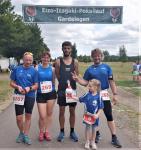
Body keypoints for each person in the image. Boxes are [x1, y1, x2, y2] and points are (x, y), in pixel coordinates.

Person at [72, 48, 122, 148]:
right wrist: (78, 80)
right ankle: (97, 134)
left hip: (104, 94)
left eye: (98, 55)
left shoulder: (107, 67)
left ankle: (114, 137)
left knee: (109, 115)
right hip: (93, 95)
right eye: (95, 56)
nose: (97, 57)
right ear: (92, 57)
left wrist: (115, 94)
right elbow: (85, 82)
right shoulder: (89, 69)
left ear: (101, 56)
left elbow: (111, 81)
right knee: (94, 115)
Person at [10, 52, 38, 145]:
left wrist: (29, 88)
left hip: (30, 96)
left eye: (30, 60)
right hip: (18, 95)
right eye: (26, 59)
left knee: (28, 116)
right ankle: (21, 133)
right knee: (19, 118)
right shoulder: (17, 69)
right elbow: (11, 83)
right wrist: (17, 87)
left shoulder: (34, 71)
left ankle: (26, 135)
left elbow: (36, 85)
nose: (28, 61)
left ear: (32, 60)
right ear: (23, 59)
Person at [55, 41, 79, 142]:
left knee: (72, 111)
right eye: (65, 48)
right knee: (61, 111)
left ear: (71, 49)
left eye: (68, 48)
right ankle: (61, 131)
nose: (66, 50)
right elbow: (58, 75)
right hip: (61, 90)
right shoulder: (58, 61)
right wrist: (64, 83)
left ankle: (72, 131)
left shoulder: (75, 62)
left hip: (72, 90)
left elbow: (76, 75)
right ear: (62, 49)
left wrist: (70, 84)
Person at [75, 79, 104, 149]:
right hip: (87, 116)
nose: (89, 87)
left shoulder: (99, 96)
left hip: (94, 117)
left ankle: (93, 142)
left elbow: (101, 107)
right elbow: (80, 99)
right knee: (87, 128)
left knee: (94, 129)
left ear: (96, 87)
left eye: (90, 86)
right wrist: (71, 97)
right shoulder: (87, 94)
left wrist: (97, 115)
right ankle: (87, 141)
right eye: (89, 86)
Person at [36, 51, 57, 141]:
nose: (46, 59)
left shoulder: (52, 69)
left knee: (49, 114)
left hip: (51, 93)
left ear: (49, 59)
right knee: (42, 115)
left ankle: (46, 131)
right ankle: (41, 131)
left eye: (47, 58)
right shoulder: (37, 68)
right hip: (40, 94)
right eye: (44, 57)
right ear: (41, 58)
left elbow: (53, 81)